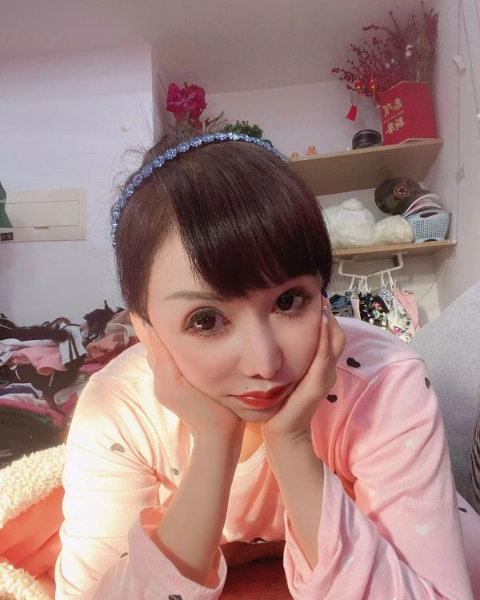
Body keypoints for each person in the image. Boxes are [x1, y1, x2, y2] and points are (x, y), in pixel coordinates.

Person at [54, 126, 478, 599]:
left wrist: (292, 443)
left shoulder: (383, 381)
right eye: (206, 320)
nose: (264, 362)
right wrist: (214, 442)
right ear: (146, 327)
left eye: (289, 300)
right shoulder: (117, 409)